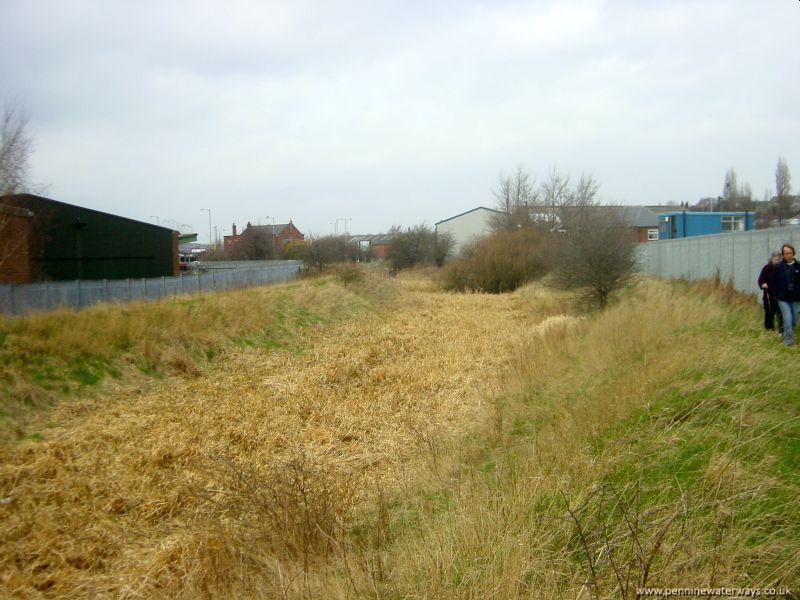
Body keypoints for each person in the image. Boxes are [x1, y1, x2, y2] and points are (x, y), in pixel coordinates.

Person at [770, 243, 800, 346]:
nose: (789, 255)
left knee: (793, 319)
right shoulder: (778, 267)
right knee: (787, 318)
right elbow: (773, 282)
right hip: (783, 298)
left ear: (793, 253)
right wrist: (776, 294)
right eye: (786, 253)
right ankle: (788, 341)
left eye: (790, 253)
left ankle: (787, 330)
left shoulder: (798, 266)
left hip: (796, 298)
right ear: (783, 254)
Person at [758, 250, 783, 332]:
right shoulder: (767, 268)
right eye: (775, 259)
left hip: (778, 295)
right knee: (769, 312)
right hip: (768, 295)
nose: (777, 261)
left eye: (778, 259)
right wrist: (763, 284)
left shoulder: (781, 268)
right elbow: (760, 280)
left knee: (779, 312)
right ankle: (769, 328)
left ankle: (781, 329)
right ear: (771, 259)